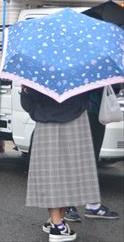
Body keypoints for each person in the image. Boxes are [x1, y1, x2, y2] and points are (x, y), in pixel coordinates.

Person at [21, 86, 101, 242]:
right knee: (70, 173)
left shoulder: (37, 71)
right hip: (76, 122)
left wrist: (26, 92)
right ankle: (57, 225)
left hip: (45, 124)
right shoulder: (79, 69)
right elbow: (89, 97)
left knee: (50, 173)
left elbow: (27, 105)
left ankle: (55, 221)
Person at [64, 86, 120, 221]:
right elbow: (116, 87)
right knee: (83, 159)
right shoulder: (96, 67)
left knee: (82, 159)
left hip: (82, 113)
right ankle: (76, 205)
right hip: (88, 112)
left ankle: (83, 204)